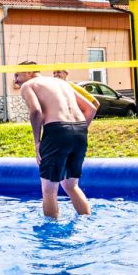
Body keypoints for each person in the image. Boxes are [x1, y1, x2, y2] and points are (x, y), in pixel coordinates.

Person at [15, 63, 99, 218]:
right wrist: (77, 131)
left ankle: (52, 235)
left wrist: (37, 142)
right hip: (80, 130)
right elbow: (91, 108)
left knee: (49, 190)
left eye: (17, 75)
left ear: (28, 72)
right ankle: (87, 220)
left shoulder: (29, 85)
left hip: (56, 131)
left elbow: (36, 111)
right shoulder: (62, 83)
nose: (15, 80)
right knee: (71, 185)